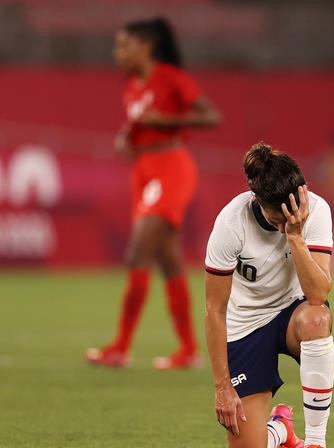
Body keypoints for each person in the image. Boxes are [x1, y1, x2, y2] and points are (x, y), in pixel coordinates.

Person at [85, 17, 221, 369]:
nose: (117, 53)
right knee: (169, 259)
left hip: (171, 165)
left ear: (145, 46)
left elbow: (211, 116)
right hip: (143, 171)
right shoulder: (131, 85)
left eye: (123, 46)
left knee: (137, 252)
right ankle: (190, 350)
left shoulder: (171, 78)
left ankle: (120, 347)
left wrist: (167, 121)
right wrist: (124, 138)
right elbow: (137, 124)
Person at [204, 143, 334, 448]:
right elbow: (215, 310)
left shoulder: (316, 211)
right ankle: (281, 429)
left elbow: (318, 295)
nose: (282, 226)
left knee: (316, 320)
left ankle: (316, 447)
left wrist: (295, 236)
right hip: (245, 324)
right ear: (257, 202)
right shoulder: (230, 224)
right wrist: (222, 387)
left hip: (293, 312)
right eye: (277, 221)